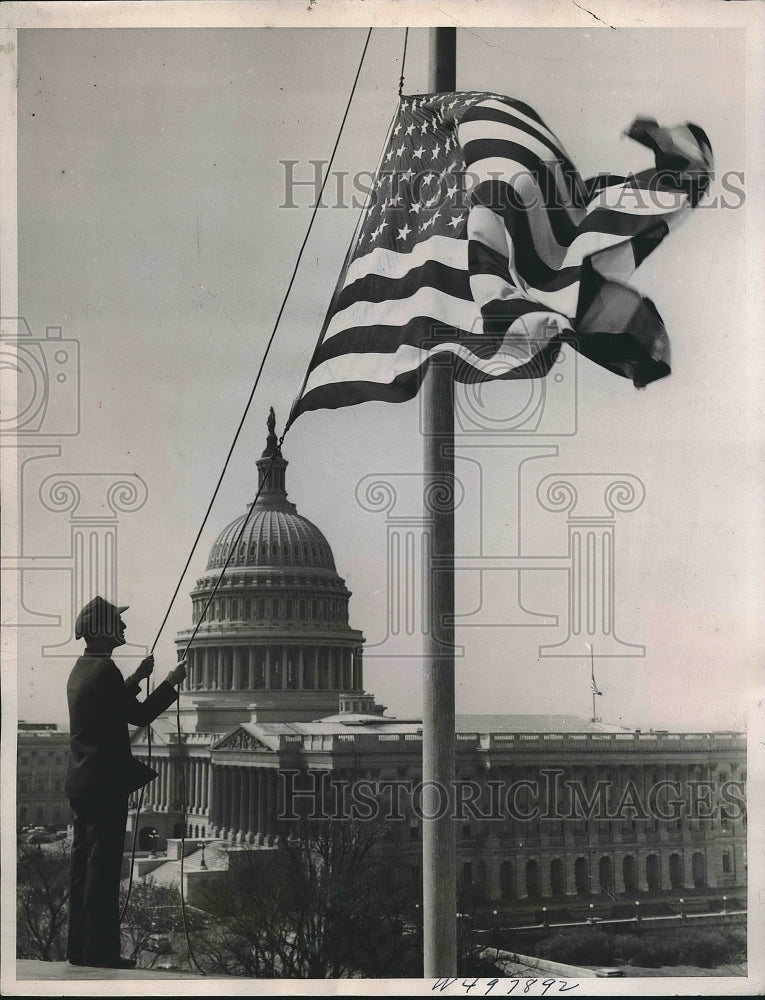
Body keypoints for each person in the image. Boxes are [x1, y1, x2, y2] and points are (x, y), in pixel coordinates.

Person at [65, 596, 187, 969]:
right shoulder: (105, 670)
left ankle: (80, 949)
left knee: (84, 868)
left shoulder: (84, 667)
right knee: (102, 872)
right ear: (101, 629)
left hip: (84, 781)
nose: (124, 628)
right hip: (104, 785)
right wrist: (169, 682)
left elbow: (110, 704)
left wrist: (137, 676)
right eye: (117, 622)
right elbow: (138, 715)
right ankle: (100, 952)